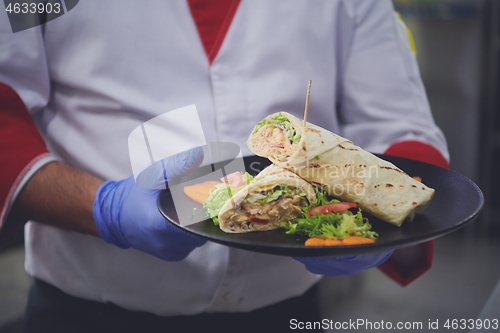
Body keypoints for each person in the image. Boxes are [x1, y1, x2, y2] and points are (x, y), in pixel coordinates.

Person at [0, 0, 450, 332]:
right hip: (86, 310)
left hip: (284, 311)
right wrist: (103, 208)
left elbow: (399, 120)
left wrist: (388, 218)